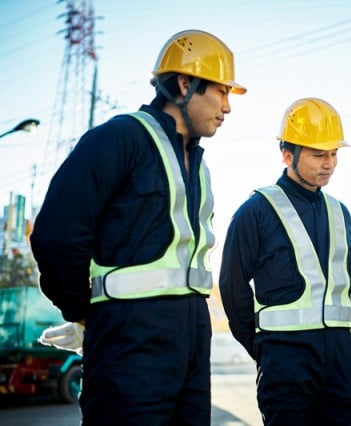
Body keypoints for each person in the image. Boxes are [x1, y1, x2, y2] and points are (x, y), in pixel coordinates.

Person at [31, 29, 246, 425]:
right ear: (184, 84)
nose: (228, 107)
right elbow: (56, 235)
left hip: (192, 341)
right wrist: (83, 313)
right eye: (221, 92)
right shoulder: (118, 139)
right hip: (129, 342)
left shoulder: (199, 166)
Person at [218, 97, 351, 425]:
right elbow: (232, 285)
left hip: (341, 362)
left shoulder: (341, 213)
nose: (329, 163)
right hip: (286, 360)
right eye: (318, 154)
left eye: (333, 153)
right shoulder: (254, 212)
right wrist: (261, 347)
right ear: (287, 155)